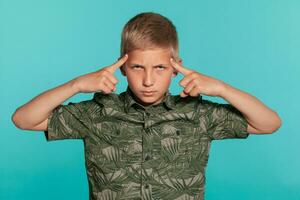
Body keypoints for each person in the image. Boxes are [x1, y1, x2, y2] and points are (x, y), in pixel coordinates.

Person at [12, 12, 282, 200]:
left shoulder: (198, 114)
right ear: (123, 67)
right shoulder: (97, 113)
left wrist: (222, 89)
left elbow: (269, 123)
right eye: (138, 67)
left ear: (176, 68)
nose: (148, 80)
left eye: (160, 67)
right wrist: (76, 85)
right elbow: (23, 119)